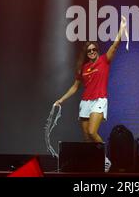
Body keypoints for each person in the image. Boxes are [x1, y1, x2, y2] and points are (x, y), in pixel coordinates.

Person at [54, 16, 127, 171]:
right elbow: (75, 87)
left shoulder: (103, 61)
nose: (92, 52)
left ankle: (105, 160)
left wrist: (121, 28)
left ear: (97, 51)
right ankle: (93, 162)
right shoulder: (84, 68)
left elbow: (115, 45)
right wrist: (61, 99)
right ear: (86, 53)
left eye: (94, 49)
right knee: (87, 138)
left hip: (99, 100)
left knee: (93, 132)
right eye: (89, 51)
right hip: (85, 102)